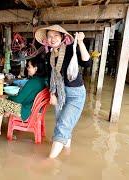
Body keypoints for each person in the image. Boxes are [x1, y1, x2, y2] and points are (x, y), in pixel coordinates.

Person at [35, 25, 91, 158]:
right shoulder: (49, 55)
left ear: (62, 37)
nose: (52, 39)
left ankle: (50, 160)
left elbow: (87, 63)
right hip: (60, 93)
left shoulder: (71, 50)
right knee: (64, 124)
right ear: (46, 40)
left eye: (55, 36)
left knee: (63, 124)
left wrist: (81, 43)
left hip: (75, 94)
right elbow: (50, 77)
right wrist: (52, 94)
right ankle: (66, 153)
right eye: (49, 36)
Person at [0, 57, 47, 138]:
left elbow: (18, 100)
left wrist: (6, 97)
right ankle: (4, 119)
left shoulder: (33, 82)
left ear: (35, 68)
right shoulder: (42, 80)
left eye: (29, 66)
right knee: (5, 102)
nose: (27, 68)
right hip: (32, 108)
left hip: (26, 110)